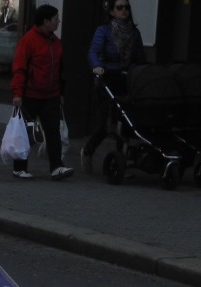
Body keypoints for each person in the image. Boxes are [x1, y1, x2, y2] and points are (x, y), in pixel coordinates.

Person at [81, 0, 146, 172]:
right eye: (119, 7)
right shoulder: (104, 31)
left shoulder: (134, 33)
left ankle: (120, 160)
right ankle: (88, 151)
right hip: (107, 78)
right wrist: (97, 66)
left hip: (126, 79)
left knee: (125, 121)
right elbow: (93, 51)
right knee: (106, 124)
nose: (123, 10)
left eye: (126, 7)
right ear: (111, 11)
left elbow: (140, 57)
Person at [11, 5, 73, 180]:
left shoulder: (55, 42)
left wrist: (61, 92)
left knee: (53, 131)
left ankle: (56, 167)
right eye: (55, 18)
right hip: (30, 94)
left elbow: (60, 69)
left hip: (51, 94)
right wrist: (17, 93)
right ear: (46, 21)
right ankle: (19, 167)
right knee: (27, 133)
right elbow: (19, 68)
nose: (58, 21)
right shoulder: (28, 41)